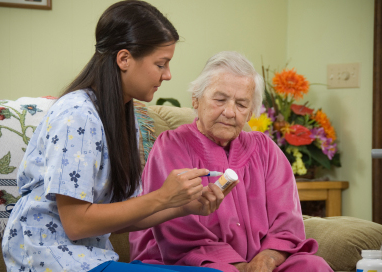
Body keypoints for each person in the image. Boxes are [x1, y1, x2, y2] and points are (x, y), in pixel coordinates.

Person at [1, 1, 236, 272]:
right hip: (51, 261)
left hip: (90, 259)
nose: (168, 75)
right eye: (161, 64)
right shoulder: (77, 114)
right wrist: (162, 196)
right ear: (124, 59)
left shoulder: (123, 116)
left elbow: (120, 216)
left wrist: (183, 206)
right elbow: (76, 223)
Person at [129, 51, 333, 272]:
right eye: (220, 99)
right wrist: (239, 267)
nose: (230, 112)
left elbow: (287, 224)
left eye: (241, 104)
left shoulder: (266, 150)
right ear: (195, 99)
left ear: (250, 112)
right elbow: (175, 229)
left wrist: (267, 259)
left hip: (259, 263)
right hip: (187, 261)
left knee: (313, 266)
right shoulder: (171, 145)